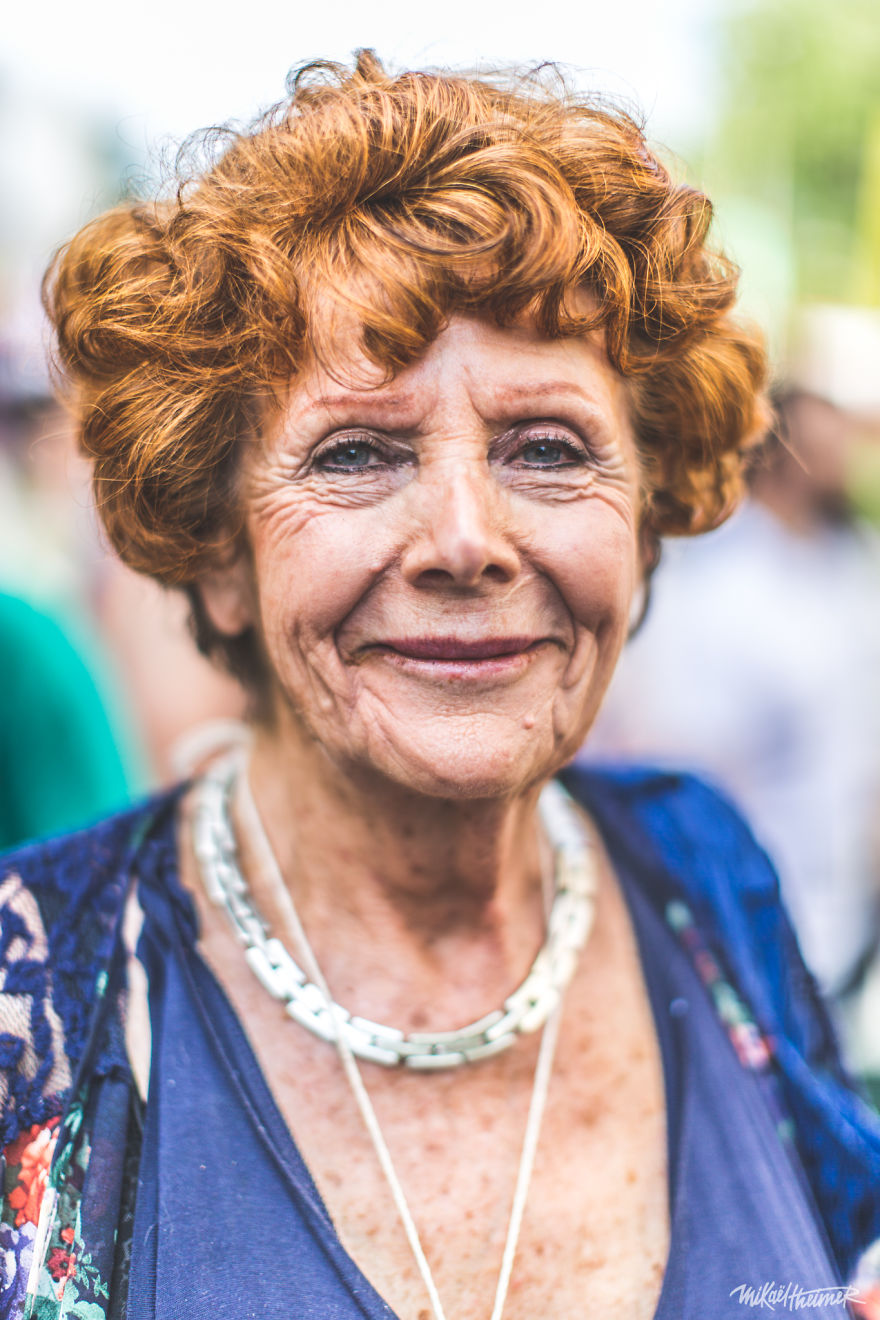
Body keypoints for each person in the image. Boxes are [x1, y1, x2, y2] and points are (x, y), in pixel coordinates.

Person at [0, 52, 878, 1320]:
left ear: (641, 525)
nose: (466, 537)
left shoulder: (702, 873)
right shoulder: (33, 994)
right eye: (356, 453)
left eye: (548, 448)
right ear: (221, 552)